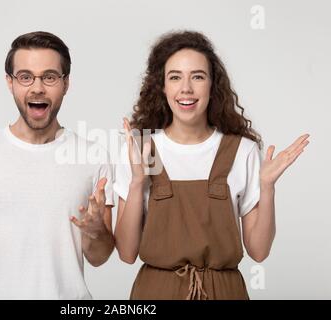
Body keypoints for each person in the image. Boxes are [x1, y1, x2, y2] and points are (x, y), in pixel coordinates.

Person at [113, 30, 309, 300]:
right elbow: (126, 253)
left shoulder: (242, 151)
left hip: (225, 292)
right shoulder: (140, 150)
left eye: (197, 76)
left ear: (212, 84)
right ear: (162, 86)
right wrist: (137, 182)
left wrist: (267, 188)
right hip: (155, 292)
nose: (186, 88)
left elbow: (259, 251)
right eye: (175, 77)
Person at [0, 31, 115, 299]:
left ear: (66, 84)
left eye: (50, 76)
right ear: (10, 82)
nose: (37, 87)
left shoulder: (93, 155)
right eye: (25, 76)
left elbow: (99, 257)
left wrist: (96, 232)